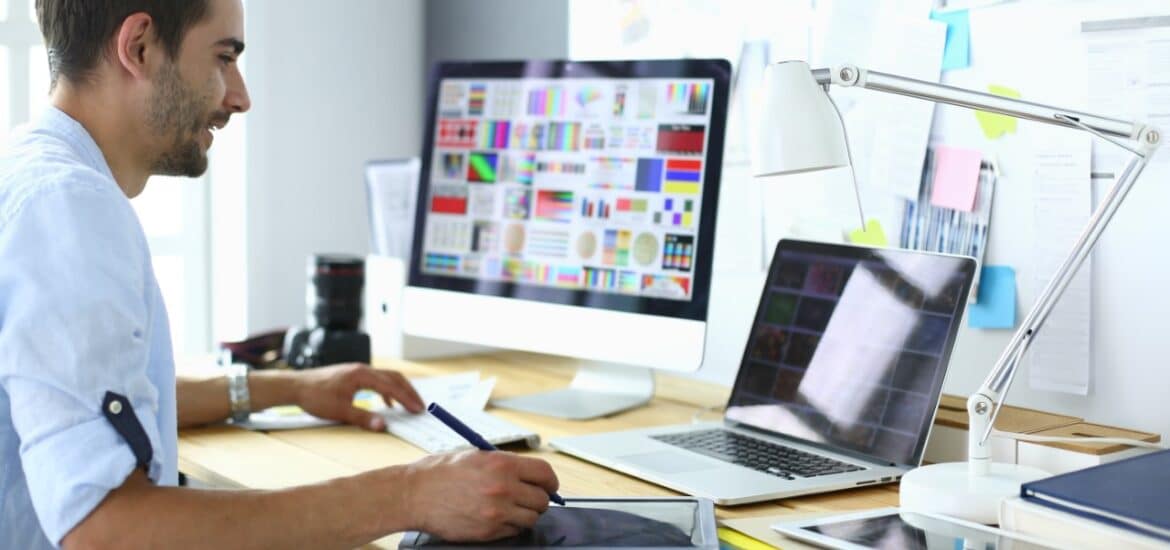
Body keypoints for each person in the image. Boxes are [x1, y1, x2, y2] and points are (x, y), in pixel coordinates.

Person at [0, 1, 560, 548]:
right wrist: (409, 493)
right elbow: (107, 530)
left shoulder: (32, 172)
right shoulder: (70, 209)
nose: (240, 97)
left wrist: (284, 388)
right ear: (139, 47)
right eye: (224, 58)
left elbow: (88, 398)